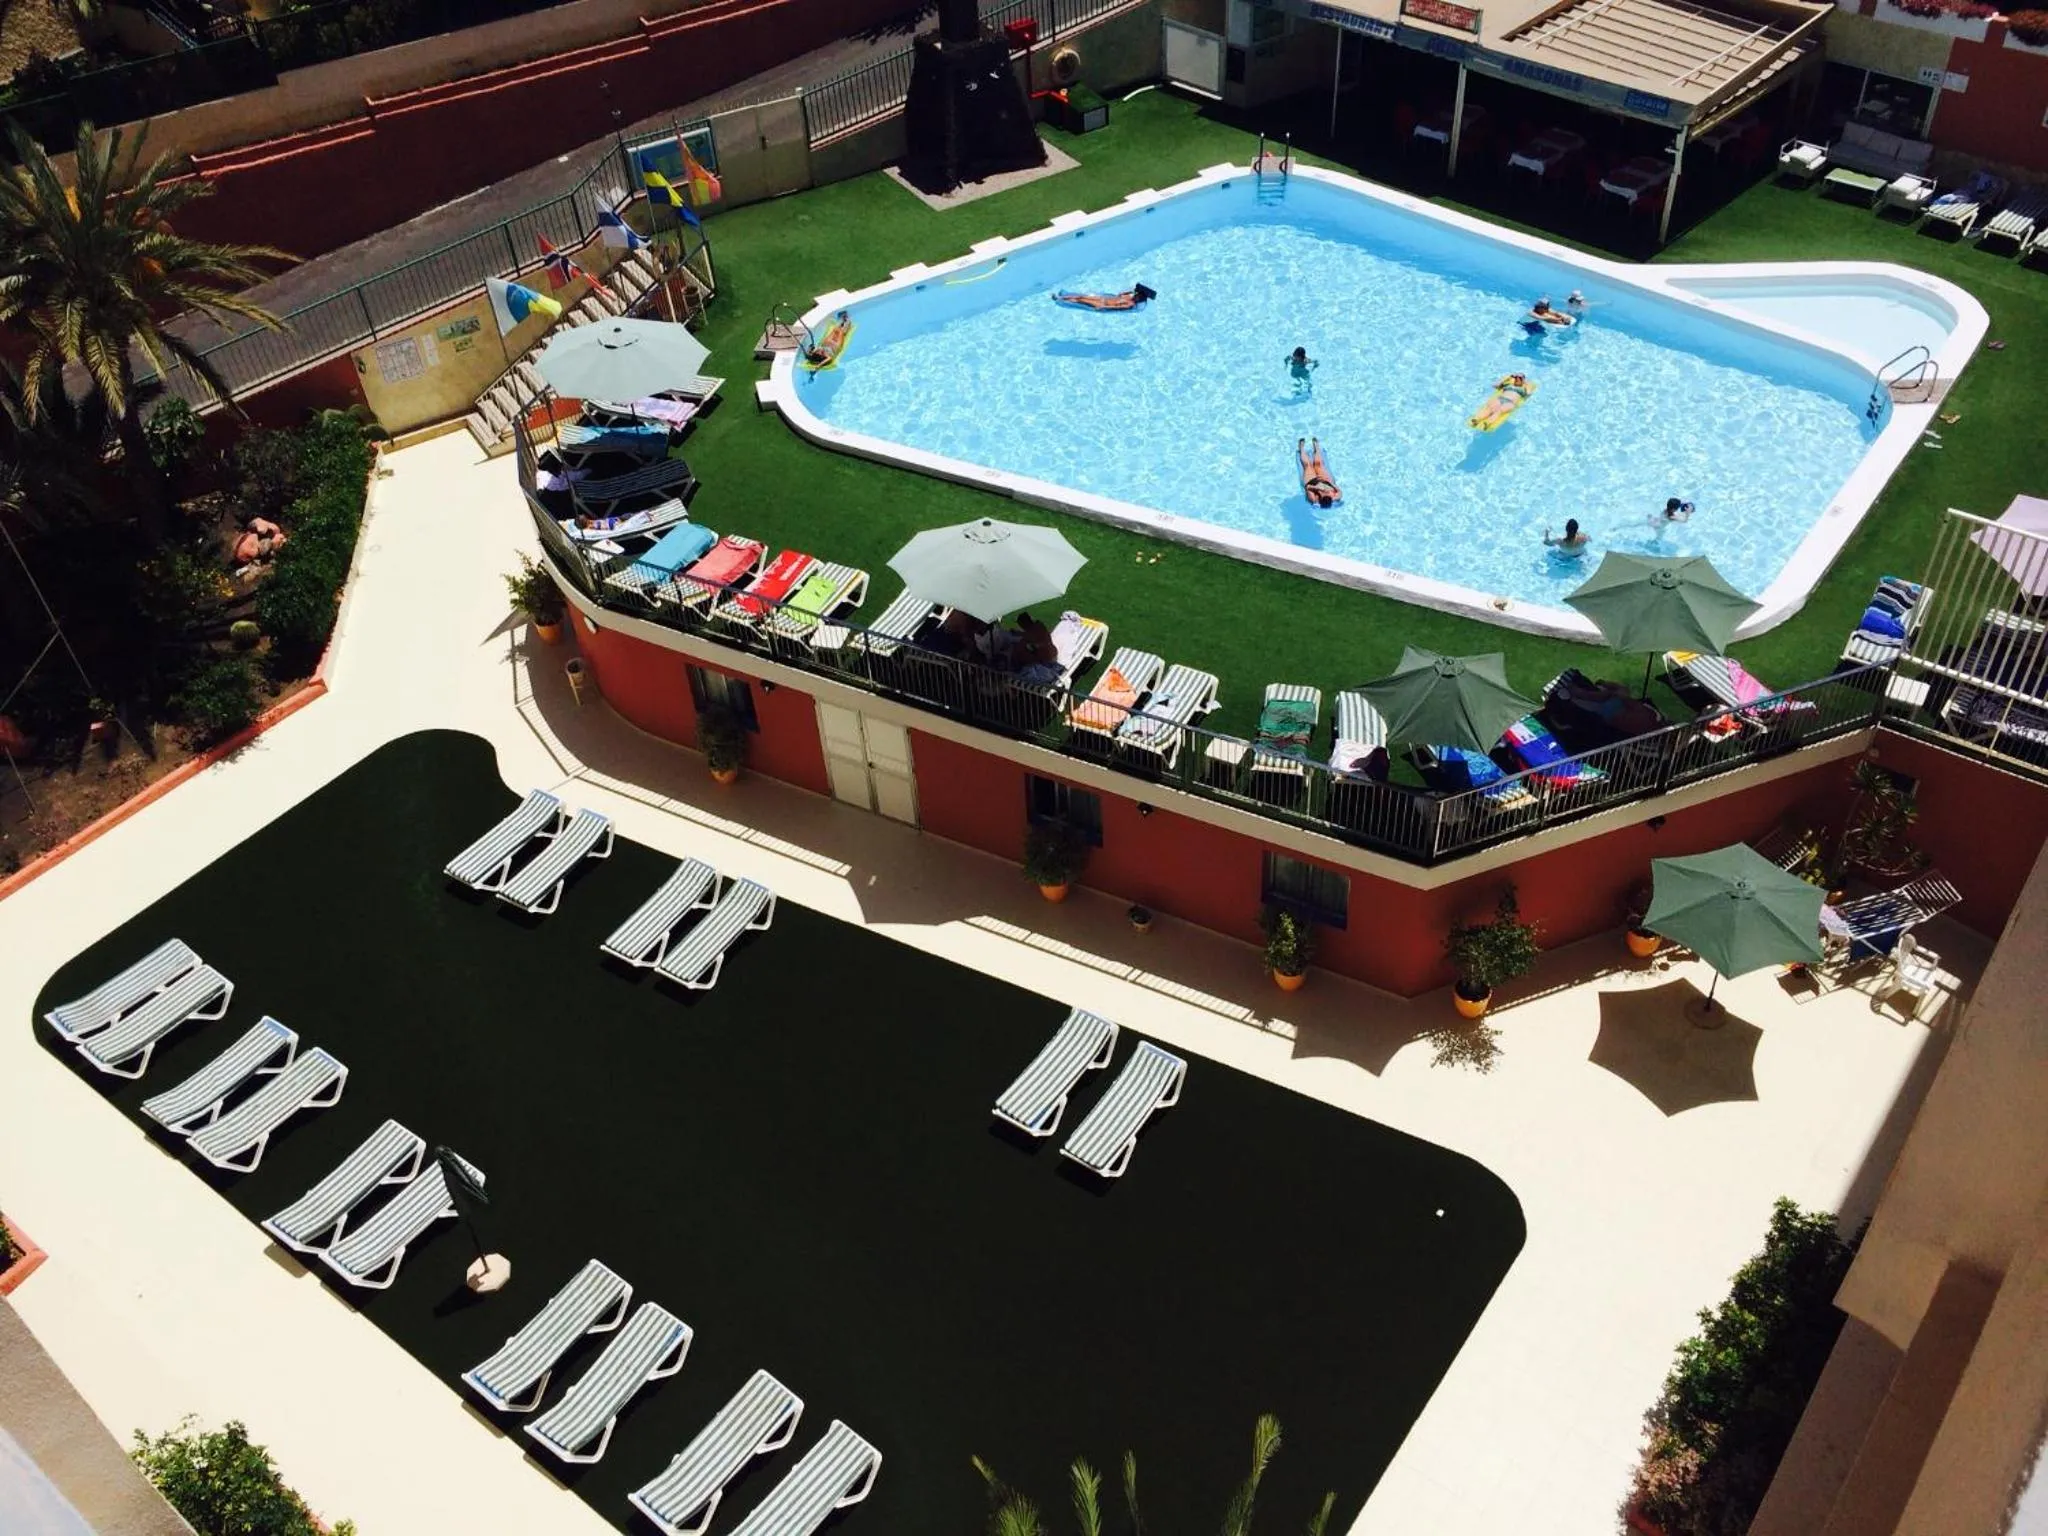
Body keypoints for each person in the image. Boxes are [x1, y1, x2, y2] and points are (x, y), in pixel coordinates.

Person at [1298, 437, 1341, 508]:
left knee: (1308, 465)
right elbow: (1339, 492)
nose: (1326, 492)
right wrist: (1330, 484)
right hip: (1326, 481)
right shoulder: (1334, 497)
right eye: (1327, 494)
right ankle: (1317, 448)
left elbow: (1308, 487)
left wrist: (1317, 488)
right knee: (1319, 464)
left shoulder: (1314, 499)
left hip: (1312, 482)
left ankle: (1301, 448)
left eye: (1324, 494)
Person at [1052, 284, 1157, 311]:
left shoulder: (1130, 304)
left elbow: (1117, 307)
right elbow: (1120, 295)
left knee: (1081, 300)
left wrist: (1104, 308)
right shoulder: (1129, 297)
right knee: (1080, 296)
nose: (1135, 295)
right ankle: (1063, 296)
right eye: (1136, 294)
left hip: (1102, 304)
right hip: (1102, 299)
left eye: (1137, 295)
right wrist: (1131, 291)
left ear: (1139, 298)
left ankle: (1059, 299)